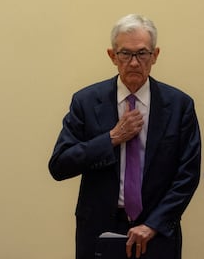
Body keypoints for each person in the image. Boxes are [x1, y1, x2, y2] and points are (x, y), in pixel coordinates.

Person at [48, 14, 201, 259]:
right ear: (112, 56)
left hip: (157, 232)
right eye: (125, 54)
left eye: (142, 54)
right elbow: (59, 165)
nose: (133, 63)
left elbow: (188, 175)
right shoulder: (86, 102)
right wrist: (110, 138)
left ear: (155, 55)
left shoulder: (179, 105)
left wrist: (153, 224)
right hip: (100, 231)